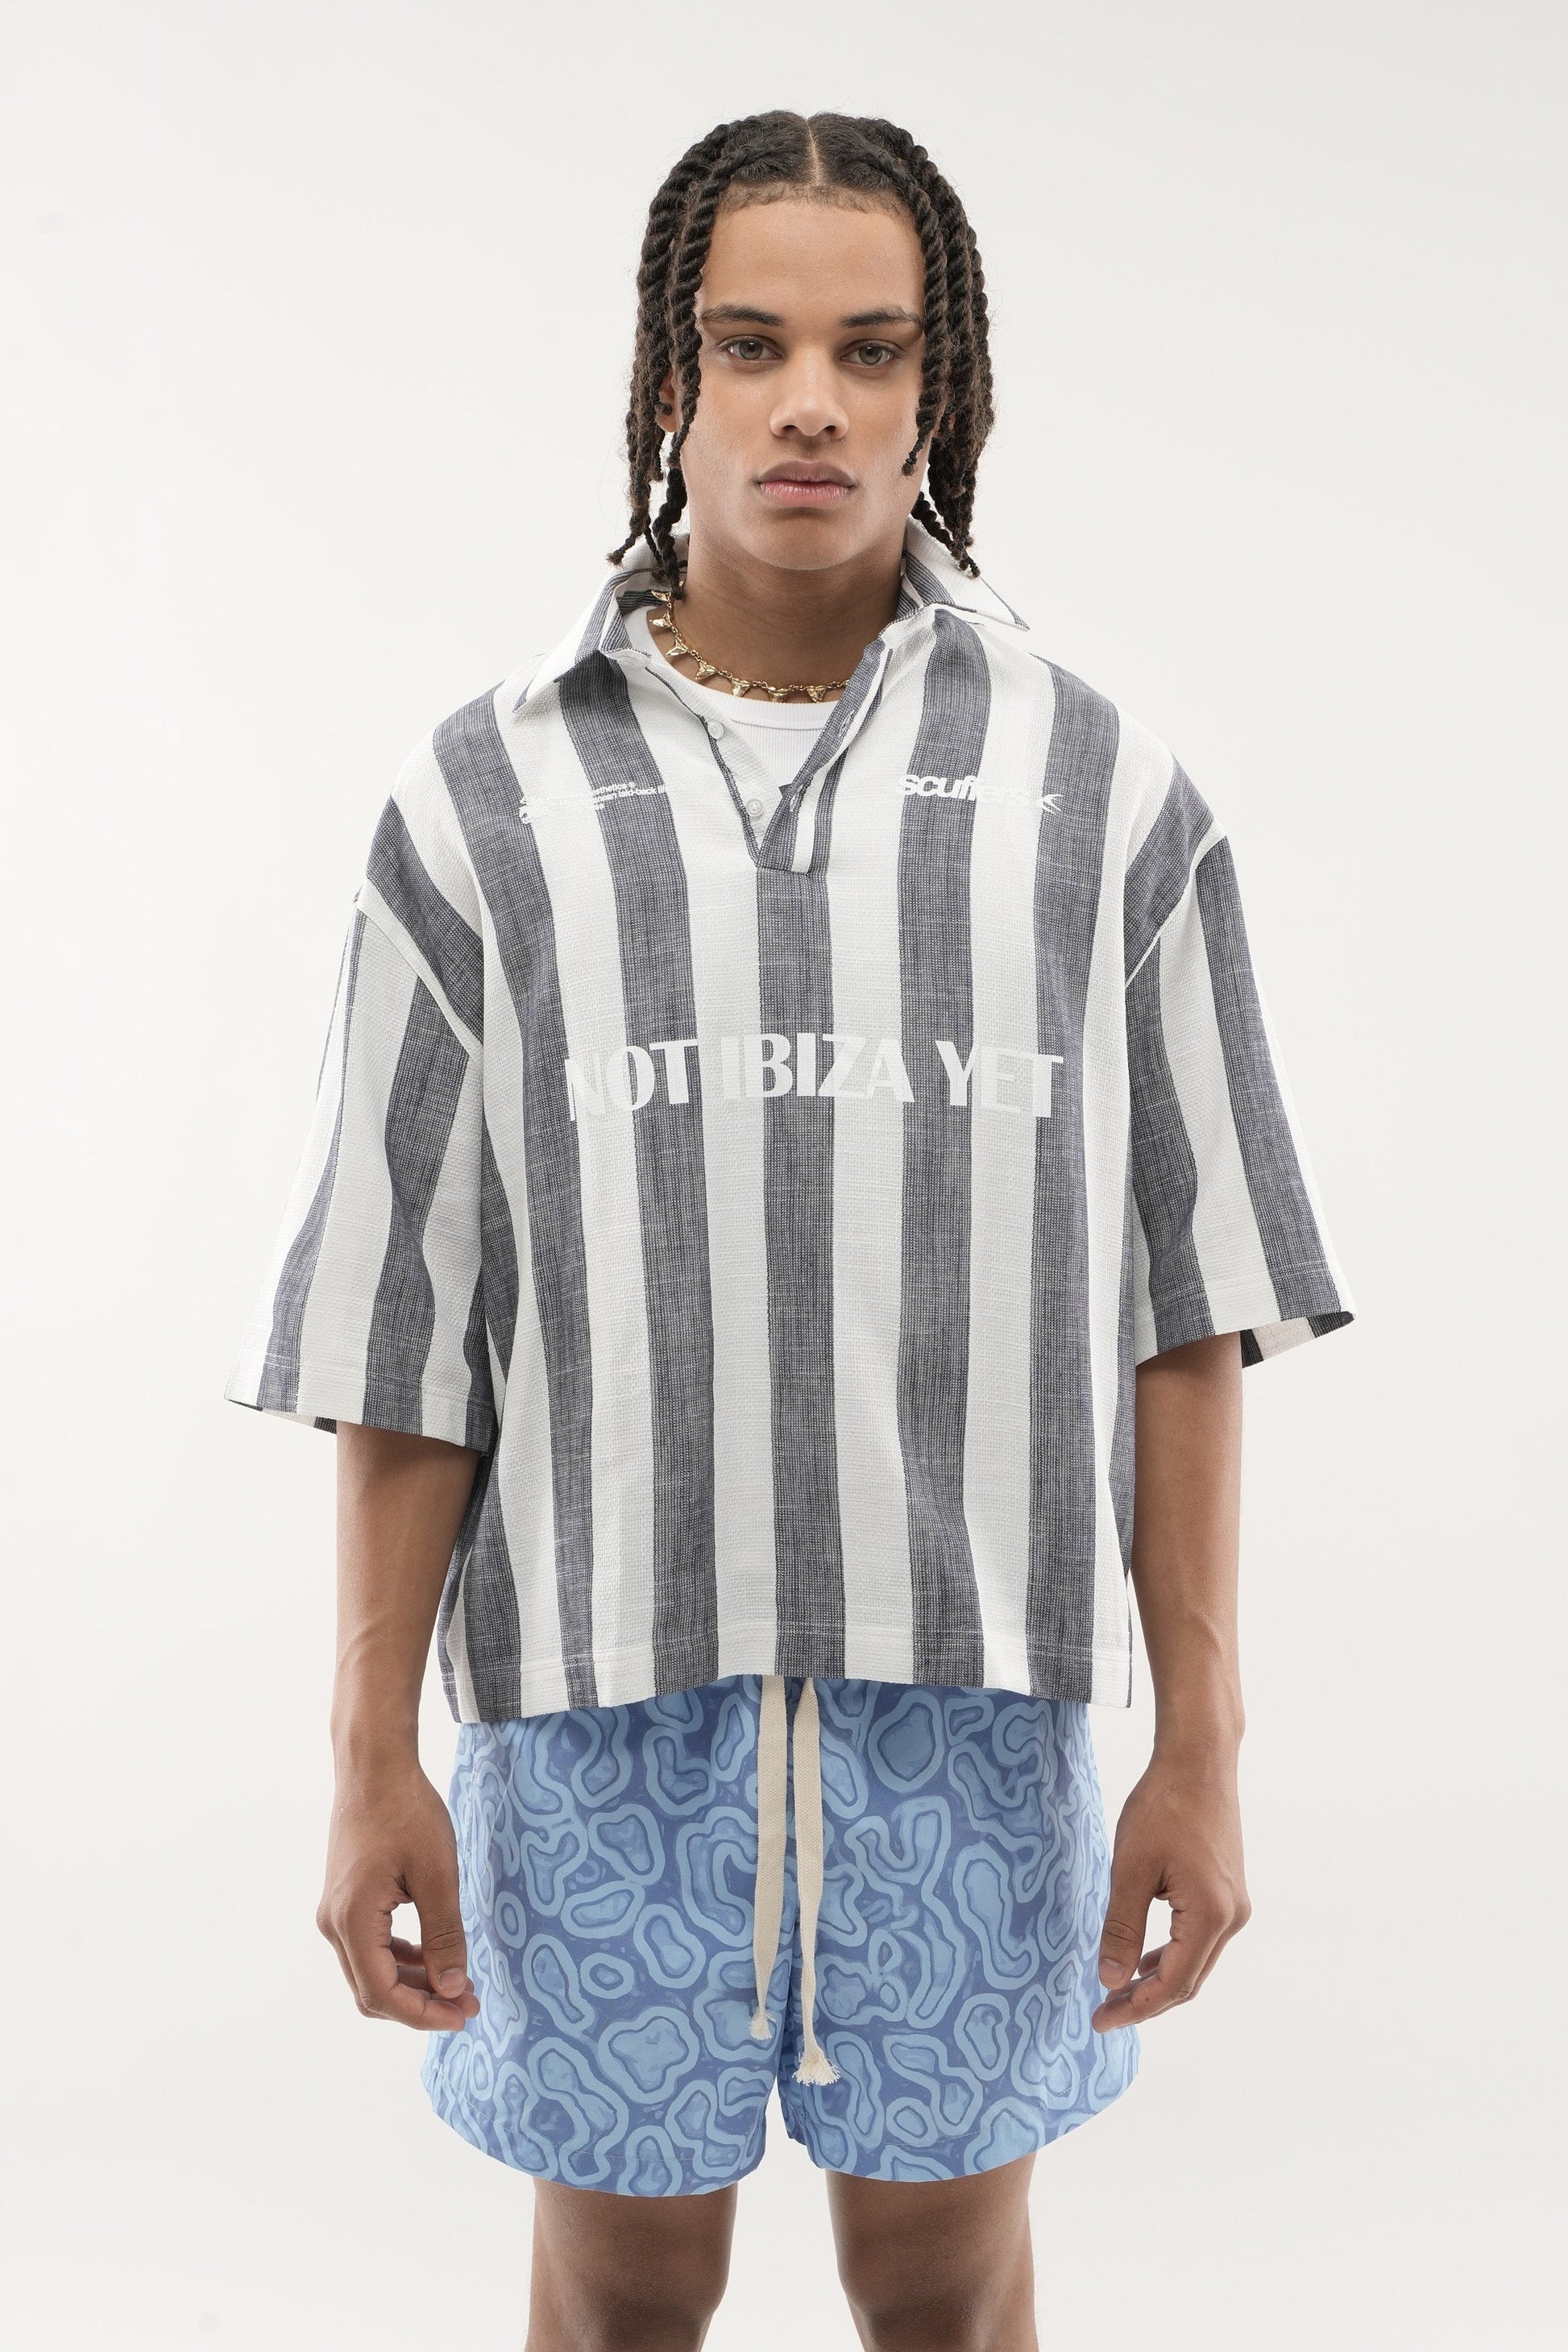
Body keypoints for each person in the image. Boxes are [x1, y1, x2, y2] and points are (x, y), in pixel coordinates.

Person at [225, 110, 1354, 2352]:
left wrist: (1202, 1744)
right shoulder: (483, 799)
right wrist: (366, 1760)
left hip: (972, 1720)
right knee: (620, 2291)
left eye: (869, 348)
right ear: (672, 380)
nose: (810, 401)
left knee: (942, 2285)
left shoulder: (1100, 793)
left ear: (944, 386)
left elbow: (1187, 1302)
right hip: (590, 1726)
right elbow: (405, 1329)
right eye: (750, 346)